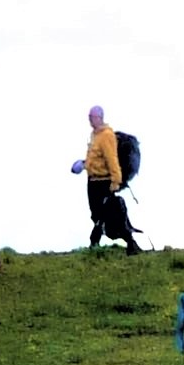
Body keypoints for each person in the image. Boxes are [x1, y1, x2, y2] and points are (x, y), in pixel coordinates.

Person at [70, 106, 140, 254]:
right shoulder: (95, 135)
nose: (90, 120)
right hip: (93, 181)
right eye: (89, 117)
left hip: (104, 181)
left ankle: (97, 243)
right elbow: (95, 158)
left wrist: (116, 180)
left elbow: (112, 159)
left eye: (92, 117)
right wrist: (83, 165)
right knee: (97, 214)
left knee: (104, 214)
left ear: (100, 117)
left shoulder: (107, 136)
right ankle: (123, 243)